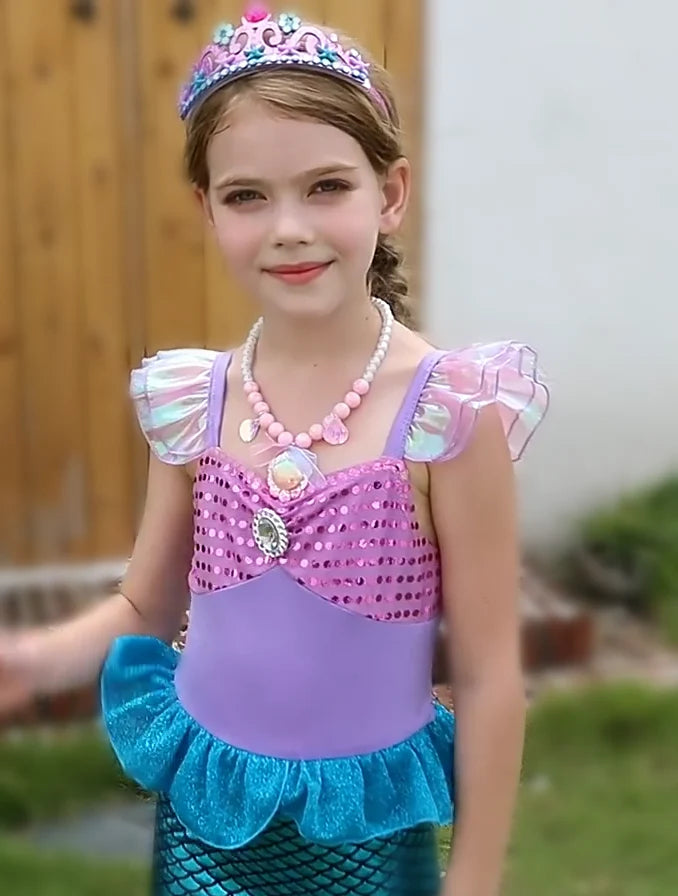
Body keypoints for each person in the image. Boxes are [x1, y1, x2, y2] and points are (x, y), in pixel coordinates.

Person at [0, 6, 549, 894]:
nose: (288, 226)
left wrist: (476, 875)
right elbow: (146, 603)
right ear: (206, 209)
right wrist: (32, 661)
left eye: (326, 186)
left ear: (391, 193)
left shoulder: (447, 414)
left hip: (365, 839)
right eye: (247, 195)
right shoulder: (196, 403)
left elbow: (488, 674)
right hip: (207, 824)